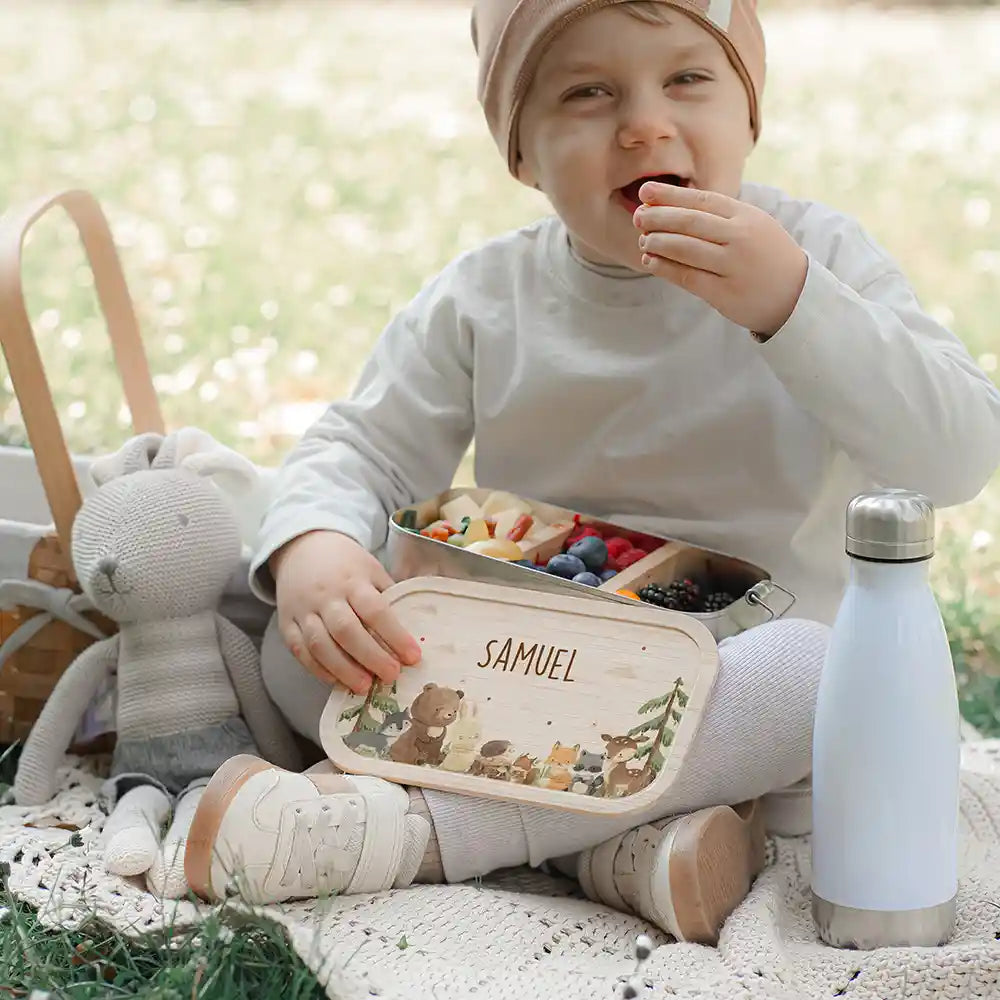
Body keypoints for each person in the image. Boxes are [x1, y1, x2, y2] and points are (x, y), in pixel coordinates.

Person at [182, 0, 1000, 945]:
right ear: (521, 154)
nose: (646, 122)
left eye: (688, 79)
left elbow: (959, 455)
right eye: (588, 91)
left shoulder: (822, 261)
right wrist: (315, 551)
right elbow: (358, 447)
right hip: (524, 680)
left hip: (733, 684)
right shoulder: (489, 296)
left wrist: (796, 306)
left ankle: (415, 837)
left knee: (819, 670)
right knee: (304, 635)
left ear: (749, 115)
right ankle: (618, 848)